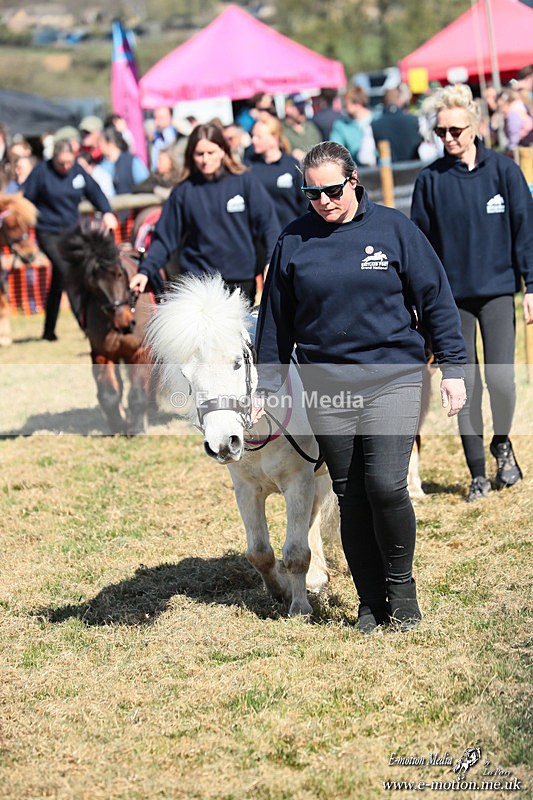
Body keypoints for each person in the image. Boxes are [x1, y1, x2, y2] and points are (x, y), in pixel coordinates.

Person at [253, 141, 467, 633]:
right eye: (313, 192)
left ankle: (402, 595)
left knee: (386, 486)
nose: (324, 200)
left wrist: (454, 367)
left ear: (353, 181)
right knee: (350, 493)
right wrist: (268, 385)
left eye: (332, 189)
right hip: (326, 382)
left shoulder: (394, 228)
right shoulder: (293, 241)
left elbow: (435, 298)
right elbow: (274, 324)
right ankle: (369, 603)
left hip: (393, 376)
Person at [411, 84, 533, 502]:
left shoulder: (504, 171)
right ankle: (478, 473)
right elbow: (420, 249)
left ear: (474, 126)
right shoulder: (429, 180)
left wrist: (531, 286)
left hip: (499, 292)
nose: (449, 138)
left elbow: (525, 232)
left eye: (456, 130)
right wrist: (423, 307)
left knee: (501, 379)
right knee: (464, 385)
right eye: (441, 131)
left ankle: (502, 442)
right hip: (451, 302)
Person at [129, 123, 281, 306]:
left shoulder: (245, 182)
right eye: (199, 154)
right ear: (191, 156)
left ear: (223, 151)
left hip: (240, 281)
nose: (205, 159)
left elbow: (269, 225)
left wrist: (271, 262)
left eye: (211, 152)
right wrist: (145, 270)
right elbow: (164, 238)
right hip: (199, 285)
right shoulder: (184, 191)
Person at [23, 139, 117, 341]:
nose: (66, 167)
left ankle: (49, 331)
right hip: (48, 232)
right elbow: (26, 199)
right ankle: (88, 327)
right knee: (70, 273)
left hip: (71, 231)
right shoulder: (41, 172)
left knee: (59, 279)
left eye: (68, 162)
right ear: (53, 158)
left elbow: (95, 192)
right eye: (61, 163)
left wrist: (107, 211)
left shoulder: (77, 171)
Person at [244, 115, 308, 230]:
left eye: (259, 137)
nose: (253, 140)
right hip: (261, 239)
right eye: (252, 136)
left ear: (274, 137)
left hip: (291, 233)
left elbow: (305, 204)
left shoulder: (292, 166)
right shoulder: (249, 167)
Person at [330, 85, 377, 166]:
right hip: (357, 171)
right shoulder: (340, 125)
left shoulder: (377, 120)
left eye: (346, 102)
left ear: (358, 102)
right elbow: (335, 150)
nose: (344, 105)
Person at [371, 87, 422, 162]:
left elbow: (365, 158)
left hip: (388, 172)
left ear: (383, 102)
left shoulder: (374, 125)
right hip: (415, 170)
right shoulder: (416, 120)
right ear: (401, 101)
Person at [282, 96, 322, 162]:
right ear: (287, 109)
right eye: (299, 108)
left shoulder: (311, 126)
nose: (302, 111)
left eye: (303, 107)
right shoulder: (282, 130)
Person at [148, 107, 179, 172]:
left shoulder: (180, 140)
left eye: (161, 118)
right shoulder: (153, 141)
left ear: (170, 118)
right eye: (155, 118)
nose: (157, 122)